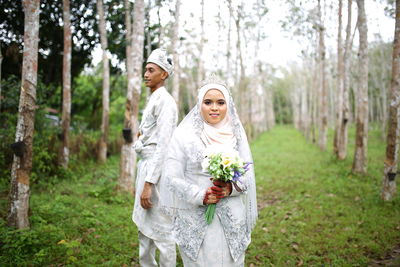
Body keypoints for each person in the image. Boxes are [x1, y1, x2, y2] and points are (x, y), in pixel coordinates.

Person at [160, 75, 258, 266]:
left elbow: (248, 174)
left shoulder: (236, 133)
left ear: (228, 104)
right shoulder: (184, 135)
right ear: (199, 104)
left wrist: (230, 189)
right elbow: (171, 177)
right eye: (208, 102)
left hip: (232, 219)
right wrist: (200, 195)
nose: (214, 107)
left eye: (220, 102)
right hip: (195, 219)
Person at [132, 48, 177, 267]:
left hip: (157, 172)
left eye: (151, 70)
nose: (146, 74)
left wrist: (149, 183)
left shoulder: (166, 102)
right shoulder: (154, 99)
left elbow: (164, 145)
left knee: (162, 231)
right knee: (145, 230)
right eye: (145, 69)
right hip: (146, 166)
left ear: (164, 74)